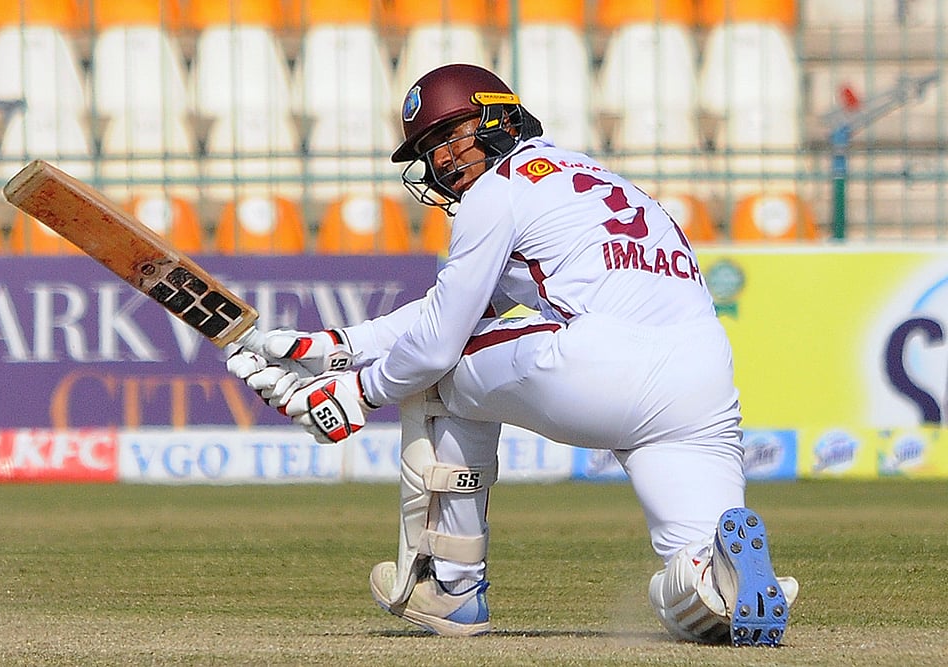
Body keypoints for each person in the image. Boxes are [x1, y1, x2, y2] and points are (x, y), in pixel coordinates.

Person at [225, 63, 798, 646]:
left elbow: (440, 341)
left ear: (498, 116)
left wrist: (357, 393)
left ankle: (451, 587)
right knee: (693, 592)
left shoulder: (497, 189)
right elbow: (451, 311)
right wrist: (337, 350)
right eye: (429, 150)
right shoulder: (604, 179)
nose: (443, 160)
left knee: (433, 374)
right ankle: (723, 576)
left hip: (599, 363)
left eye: (452, 134)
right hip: (703, 380)